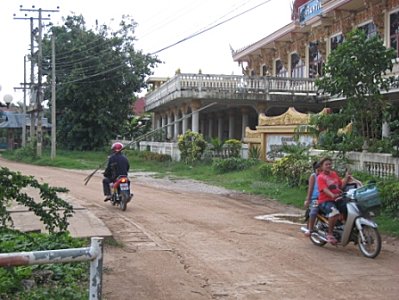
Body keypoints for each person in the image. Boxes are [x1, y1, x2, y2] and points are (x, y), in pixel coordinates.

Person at [317, 157, 351, 244]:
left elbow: (340, 186)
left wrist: (346, 178)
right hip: (325, 200)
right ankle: (330, 234)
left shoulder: (334, 174)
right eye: (326, 164)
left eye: (330, 164)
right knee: (334, 212)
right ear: (321, 166)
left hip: (337, 198)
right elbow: (324, 189)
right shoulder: (320, 177)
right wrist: (332, 195)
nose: (329, 166)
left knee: (349, 207)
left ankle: (345, 226)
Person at [303, 161, 321, 237]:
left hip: (324, 198)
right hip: (315, 198)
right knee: (313, 211)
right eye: (318, 170)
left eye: (321, 170)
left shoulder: (326, 176)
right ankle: (310, 229)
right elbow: (310, 189)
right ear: (315, 170)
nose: (320, 172)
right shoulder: (313, 176)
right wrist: (308, 199)